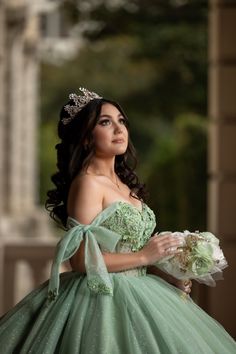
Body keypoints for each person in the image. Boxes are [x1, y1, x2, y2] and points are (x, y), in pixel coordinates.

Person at [0, 87, 235, 354]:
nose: (118, 128)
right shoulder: (88, 183)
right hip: (99, 300)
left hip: (143, 291)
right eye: (105, 122)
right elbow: (79, 260)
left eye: (121, 121)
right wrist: (146, 257)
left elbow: (135, 252)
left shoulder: (126, 186)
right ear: (86, 138)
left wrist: (167, 274)